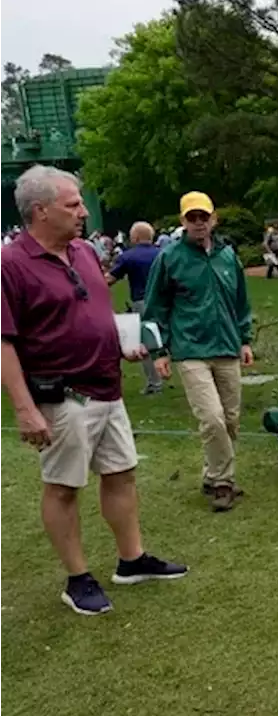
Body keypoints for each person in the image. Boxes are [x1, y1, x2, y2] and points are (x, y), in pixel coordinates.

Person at [0, 166, 187, 615]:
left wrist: (120, 346)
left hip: (108, 385)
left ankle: (132, 559)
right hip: (62, 397)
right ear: (40, 211)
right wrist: (25, 408)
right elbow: (3, 341)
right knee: (64, 487)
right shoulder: (11, 265)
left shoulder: (83, 251)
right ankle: (78, 577)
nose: (84, 212)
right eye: (73, 205)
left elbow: (89, 310)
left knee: (121, 472)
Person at [142, 192, 254, 512]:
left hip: (228, 346)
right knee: (212, 418)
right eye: (192, 217)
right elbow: (154, 308)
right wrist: (159, 351)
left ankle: (211, 473)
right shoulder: (170, 257)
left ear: (213, 219)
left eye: (203, 216)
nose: (199, 223)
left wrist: (245, 339)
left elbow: (241, 302)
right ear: (183, 221)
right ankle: (223, 482)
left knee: (230, 419)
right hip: (190, 349)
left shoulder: (228, 256)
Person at [106, 221, 164, 395]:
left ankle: (154, 383)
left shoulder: (128, 256)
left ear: (135, 237)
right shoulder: (163, 254)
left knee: (145, 342)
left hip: (142, 301)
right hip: (164, 301)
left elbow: (110, 278)